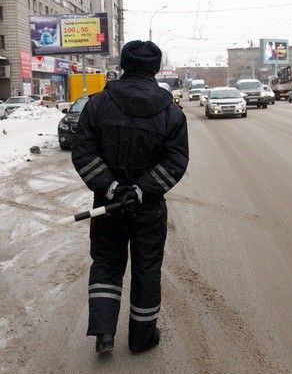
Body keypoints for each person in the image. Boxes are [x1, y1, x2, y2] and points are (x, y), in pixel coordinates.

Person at [71, 40, 189, 354]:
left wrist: (111, 188)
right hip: (148, 209)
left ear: (123, 65)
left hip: (107, 207)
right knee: (146, 269)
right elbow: (175, 162)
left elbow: (83, 153)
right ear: (156, 69)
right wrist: (141, 190)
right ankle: (141, 338)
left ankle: (104, 333)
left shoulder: (97, 105)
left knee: (107, 264)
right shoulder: (171, 113)